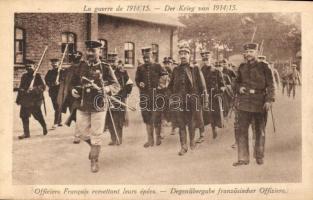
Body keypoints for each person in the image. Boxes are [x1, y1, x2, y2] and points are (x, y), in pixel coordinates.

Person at [71, 40, 120, 173]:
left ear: (100, 51)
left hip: (99, 105)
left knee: (96, 134)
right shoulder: (81, 66)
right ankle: (95, 147)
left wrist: (107, 89)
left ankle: (94, 159)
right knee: (82, 133)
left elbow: (116, 85)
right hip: (83, 104)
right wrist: (74, 90)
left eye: (93, 51)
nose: (90, 53)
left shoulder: (105, 67)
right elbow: (74, 83)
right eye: (88, 50)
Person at [233, 42, 275, 166]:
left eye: (251, 52)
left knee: (259, 131)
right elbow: (236, 83)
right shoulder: (242, 67)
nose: (248, 54)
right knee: (241, 130)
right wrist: (239, 88)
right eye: (246, 52)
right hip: (244, 102)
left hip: (259, 102)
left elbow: (271, 85)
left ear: (256, 53)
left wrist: (269, 100)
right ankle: (243, 158)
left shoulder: (264, 67)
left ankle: (259, 155)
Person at [168, 43, 207, 156]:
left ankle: (192, 142)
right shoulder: (175, 70)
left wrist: (203, 101)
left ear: (189, 55)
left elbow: (202, 87)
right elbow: (170, 86)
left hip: (192, 102)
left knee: (191, 123)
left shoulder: (195, 69)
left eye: (185, 53)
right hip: (179, 102)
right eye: (181, 54)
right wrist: (171, 97)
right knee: (181, 124)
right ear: (179, 56)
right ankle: (183, 146)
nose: (183, 56)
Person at [135, 47, 167, 147]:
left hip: (156, 96)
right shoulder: (140, 68)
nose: (146, 59)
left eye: (147, 57)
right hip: (145, 96)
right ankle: (150, 140)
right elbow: (137, 79)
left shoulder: (158, 66)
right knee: (147, 118)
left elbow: (165, 76)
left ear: (151, 56)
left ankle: (158, 138)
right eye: (144, 57)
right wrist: (140, 83)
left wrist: (160, 85)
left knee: (156, 117)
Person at [16, 60, 47, 139]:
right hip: (26, 99)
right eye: (27, 66)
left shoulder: (37, 76)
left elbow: (43, 87)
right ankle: (26, 133)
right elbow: (21, 87)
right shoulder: (24, 76)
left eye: (30, 66)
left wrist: (33, 89)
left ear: (34, 67)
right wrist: (21, 93)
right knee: (24, 116)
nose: (29, 68)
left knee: (38, 116)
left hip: (35, 100)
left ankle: (44, 126)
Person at [106, 54, 133, 146]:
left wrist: (123, 94)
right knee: (109, 120)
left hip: (119, 99)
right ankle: (113, 138)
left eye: (114, 61)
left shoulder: (122, 73)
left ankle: (119, 138)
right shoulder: (105, 72)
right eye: (110, 61)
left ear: (117, 62)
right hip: (107, 100)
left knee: (118, 121)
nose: (112, 63)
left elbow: (129, 84)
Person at [61, 51, 84, 144]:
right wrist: (71, 89)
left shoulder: (86, 67)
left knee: (82, 114)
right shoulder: (69, 70)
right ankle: (79, 133)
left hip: (84, 94)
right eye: (74, 61)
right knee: (74, 114)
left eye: (78, 61)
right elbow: (67, 83)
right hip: (72, 96)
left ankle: (78, 135)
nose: (76, 63)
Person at [45, 58, 62, 129]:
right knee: (56, 106)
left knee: (58, 106)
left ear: (59, 63)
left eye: (56, 63)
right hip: (52, 91)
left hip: (60, 91)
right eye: (53, 63)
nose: (54, 64)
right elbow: (46, 80)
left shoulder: (62, 71)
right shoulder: (50, 72)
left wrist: (59, 82)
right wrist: (52, 84)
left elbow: (66, 80)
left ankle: (56, 123)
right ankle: (60, 121)